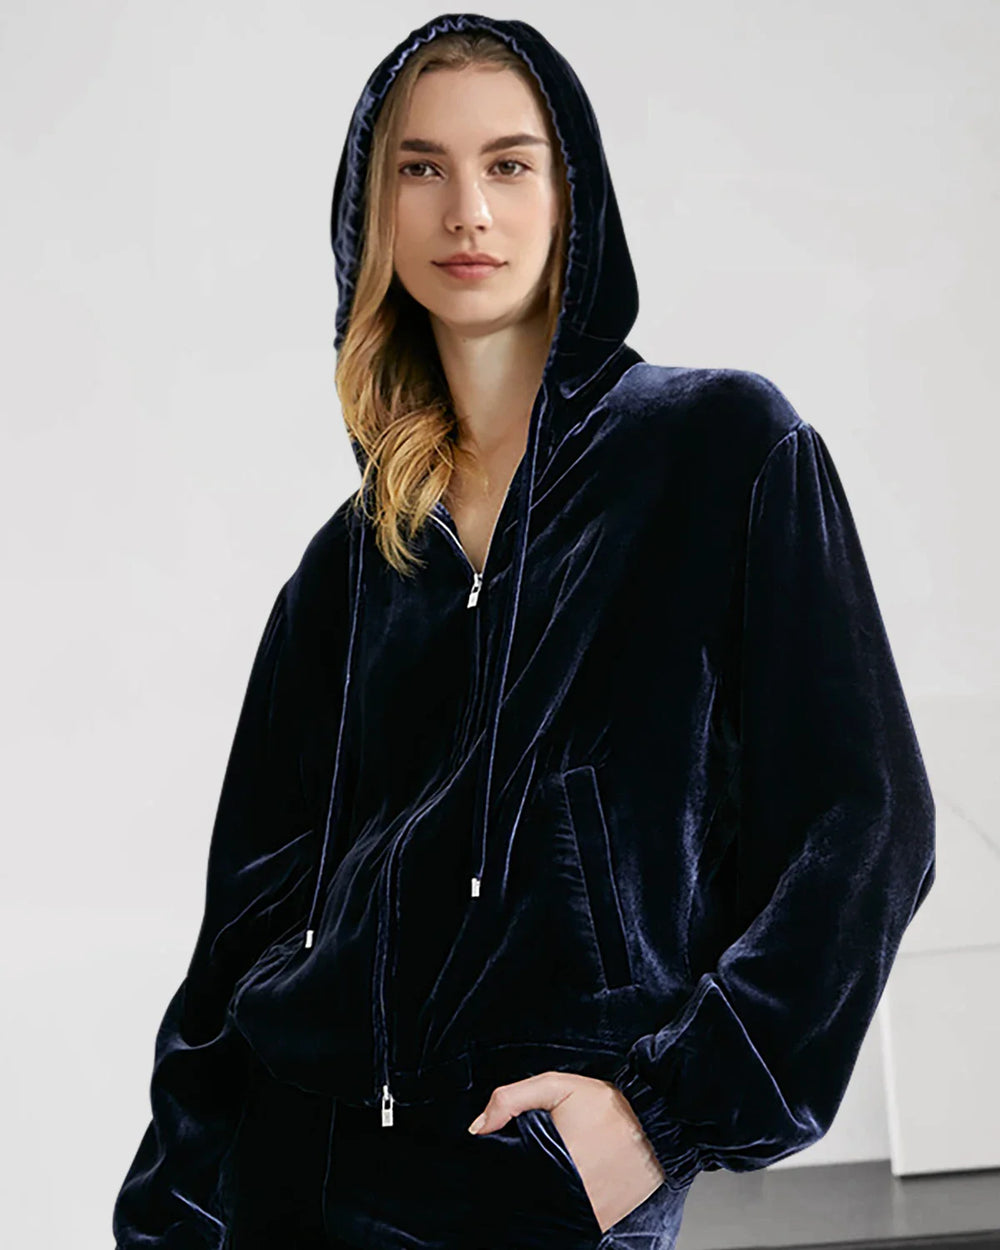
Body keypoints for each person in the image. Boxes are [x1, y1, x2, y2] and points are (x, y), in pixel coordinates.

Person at [111, 13, 937, 1250]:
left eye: (507, 164)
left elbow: (866, 819)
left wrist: (659, 1113)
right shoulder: (345, 566)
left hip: (533, 1172)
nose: (467, 212)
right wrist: (168, 1215)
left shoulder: (717, 450)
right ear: (374, 211)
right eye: (421, 168)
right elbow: (243, 928)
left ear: (571, 195)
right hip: (291, 1176)